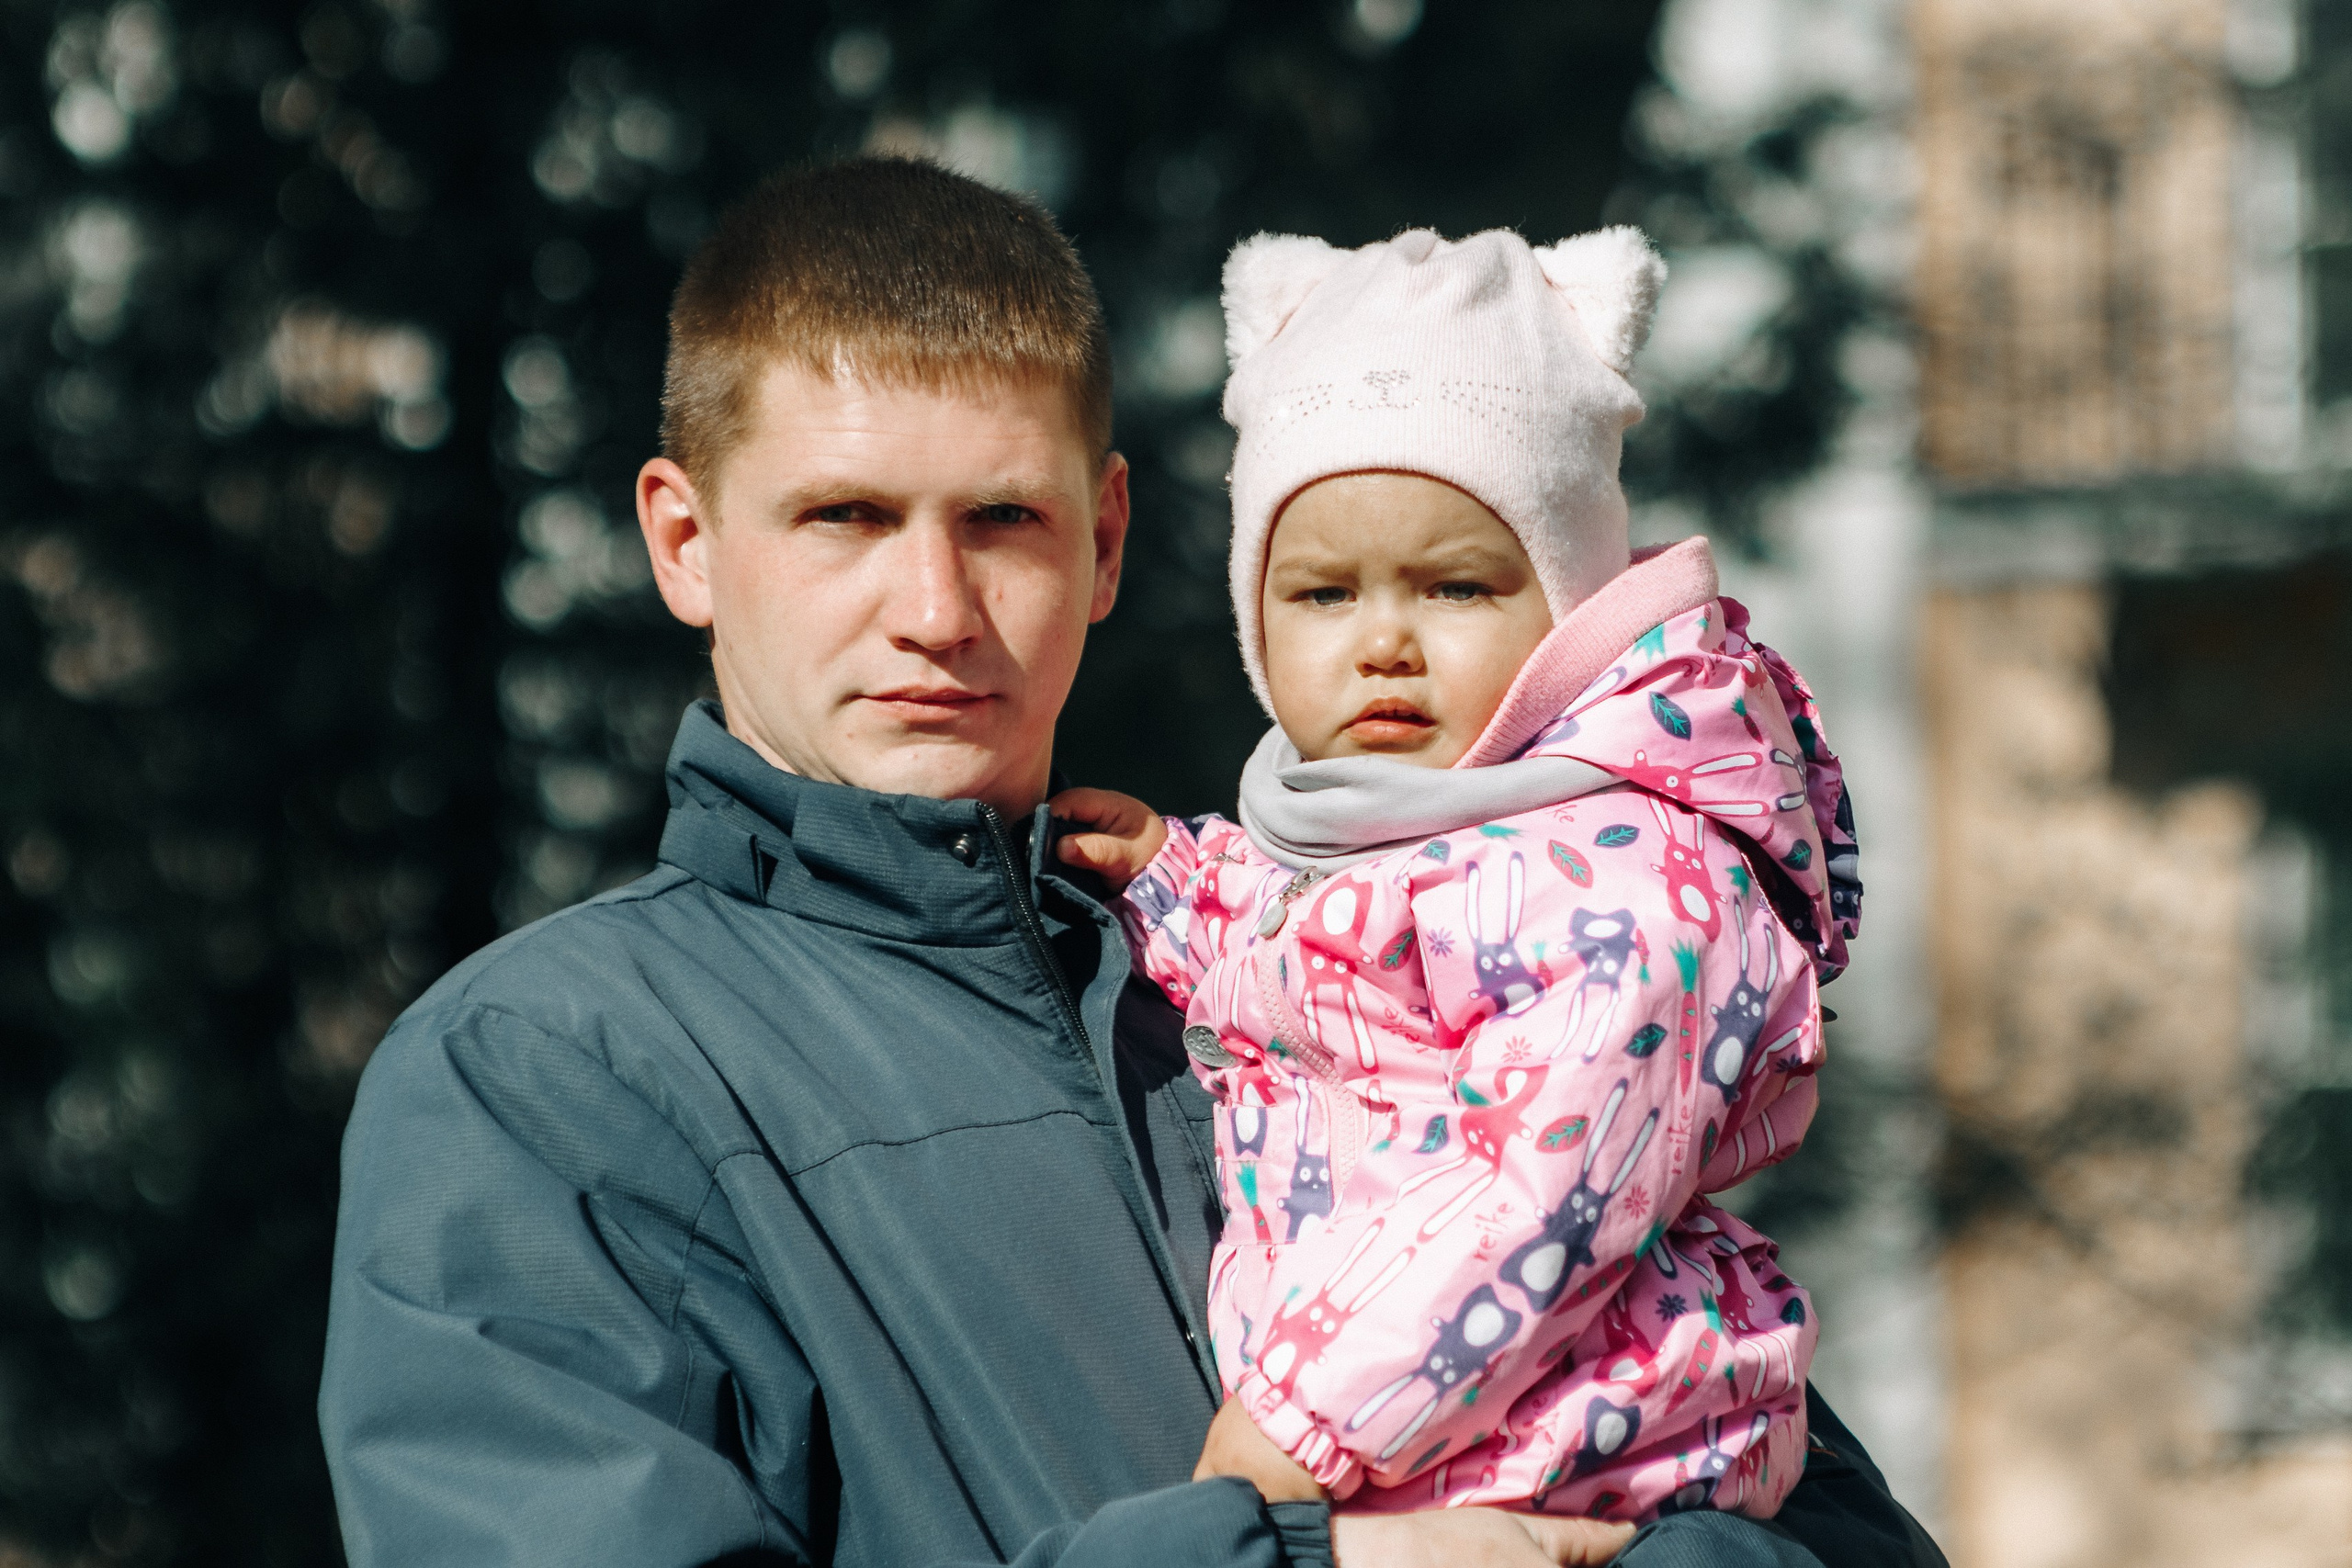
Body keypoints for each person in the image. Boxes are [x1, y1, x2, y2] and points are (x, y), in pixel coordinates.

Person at [317, 156, 1941, 1568]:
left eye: (1003, 524)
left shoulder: (1335, 960)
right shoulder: (538, 1082)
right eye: (844, 519)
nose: (937, 611)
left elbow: (1801, 1485)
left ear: (1106, 544)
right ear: (685, 540)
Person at [1049, 227, 1881, 1530]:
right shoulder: (1398, 835)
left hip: (1570, 1438)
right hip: (1429, 1434)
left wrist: (1301, 1421)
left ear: (1566, 608)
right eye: (1324, 594)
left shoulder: (1629, 880)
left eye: (1453, 586)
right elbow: (1336, 991)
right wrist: (1181, 884)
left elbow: (1541, 1194)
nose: (1385, 642)